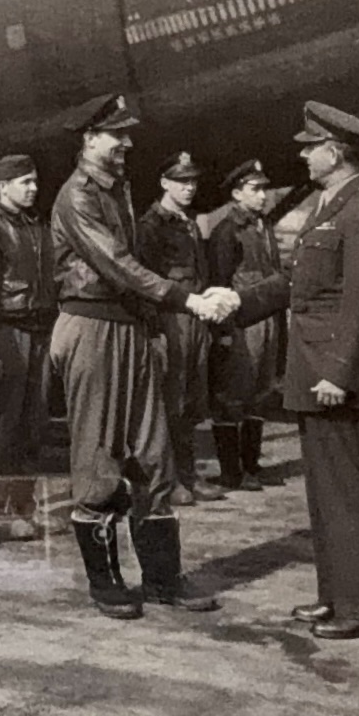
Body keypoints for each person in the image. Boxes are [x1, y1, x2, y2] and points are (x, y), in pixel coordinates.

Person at [50, 94, 237, 618]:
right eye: (116, 135)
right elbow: (116, 265)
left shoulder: (119, 192)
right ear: (90, 140)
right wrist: (185, 299)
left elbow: (134, 266)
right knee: (98, 459)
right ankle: (105, 583)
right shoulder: (78, 197)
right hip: (92, 327)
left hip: (130, 327)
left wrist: (154, 323)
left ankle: (161, 579)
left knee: (154, 458)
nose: (127, 143)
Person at [230, 103, 359, 639]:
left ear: (336, 151)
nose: (303, 154)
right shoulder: (330, 209)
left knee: (347, 492)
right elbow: (295, 286)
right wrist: (235, 302)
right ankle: (337, 594)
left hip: (333, 377)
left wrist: (342, 373)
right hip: (313, 371)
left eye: (311, 146)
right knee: (324, 495)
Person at [0, 153, 57, 540]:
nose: (33, 188)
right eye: (25, 182)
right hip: (7, 331)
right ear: (3, 187)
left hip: (39, 331)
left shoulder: (38, 225)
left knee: (33, 422)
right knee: (4, 422)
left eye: (34, 181)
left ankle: (25, 506)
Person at [136, 152, 226, 503]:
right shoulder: (151, 225)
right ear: (164, 183)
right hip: (170, 317)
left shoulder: (187, 221)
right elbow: (146, 279)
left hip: (195, 316)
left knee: (191, 399)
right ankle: (168, 480)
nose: (189, 188)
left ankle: (188, 475)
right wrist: (154, 326)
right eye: (181, 181)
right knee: (168, 400)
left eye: (192, 182)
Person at [207, 158, 283, 491]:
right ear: (237, 193)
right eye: (255, 189)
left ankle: (251, 465)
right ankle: (230, 471)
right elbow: (219, 284)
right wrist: (222, 333)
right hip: (240, 322)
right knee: (232, 393)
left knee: (260, 392)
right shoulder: (227, 231)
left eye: (265, 189)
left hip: (266, 319)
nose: (263, 195)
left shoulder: (262, 227)